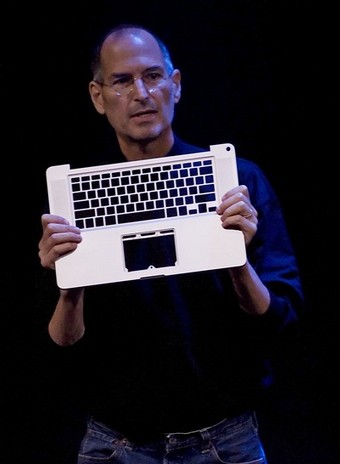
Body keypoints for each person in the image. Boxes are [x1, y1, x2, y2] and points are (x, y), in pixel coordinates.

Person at [37, 23, 304, 464]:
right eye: (122, 81)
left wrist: (235, 258)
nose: (141, 93)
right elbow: (61, 347)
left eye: (153, 76)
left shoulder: (236, 182)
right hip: (114, 444)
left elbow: (280, 321)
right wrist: (70, 286)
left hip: (225, 438)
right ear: (97, 97)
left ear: (175, 85)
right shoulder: (72, 202)